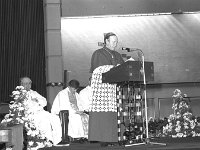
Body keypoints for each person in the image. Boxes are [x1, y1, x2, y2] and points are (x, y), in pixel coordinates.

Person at [89, 32, 124, 146]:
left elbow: (122, 68)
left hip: (115, 89)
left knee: (116, 114)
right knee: (104, 114)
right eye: (113, 42)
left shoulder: (118, 54)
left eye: (116, 42)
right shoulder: (98, 53)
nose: (115, 44)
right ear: (106, 41)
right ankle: (104, 139)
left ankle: (116, 138)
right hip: (103, 90)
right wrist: (114, 67)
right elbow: (98, 70)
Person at [20, 76, 62, 145]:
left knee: (56, 118)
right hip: (31, 114)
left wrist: (37, 101)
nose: (28, 85)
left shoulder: (34, 92)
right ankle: (49, 140)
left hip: (42, 112)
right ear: (21, 84)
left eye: (29, 83)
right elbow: (27, 106)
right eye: (26, 83)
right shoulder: (19, 94)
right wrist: (37, 103)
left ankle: (58, 139)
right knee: (45, 122)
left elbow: (44, 102)